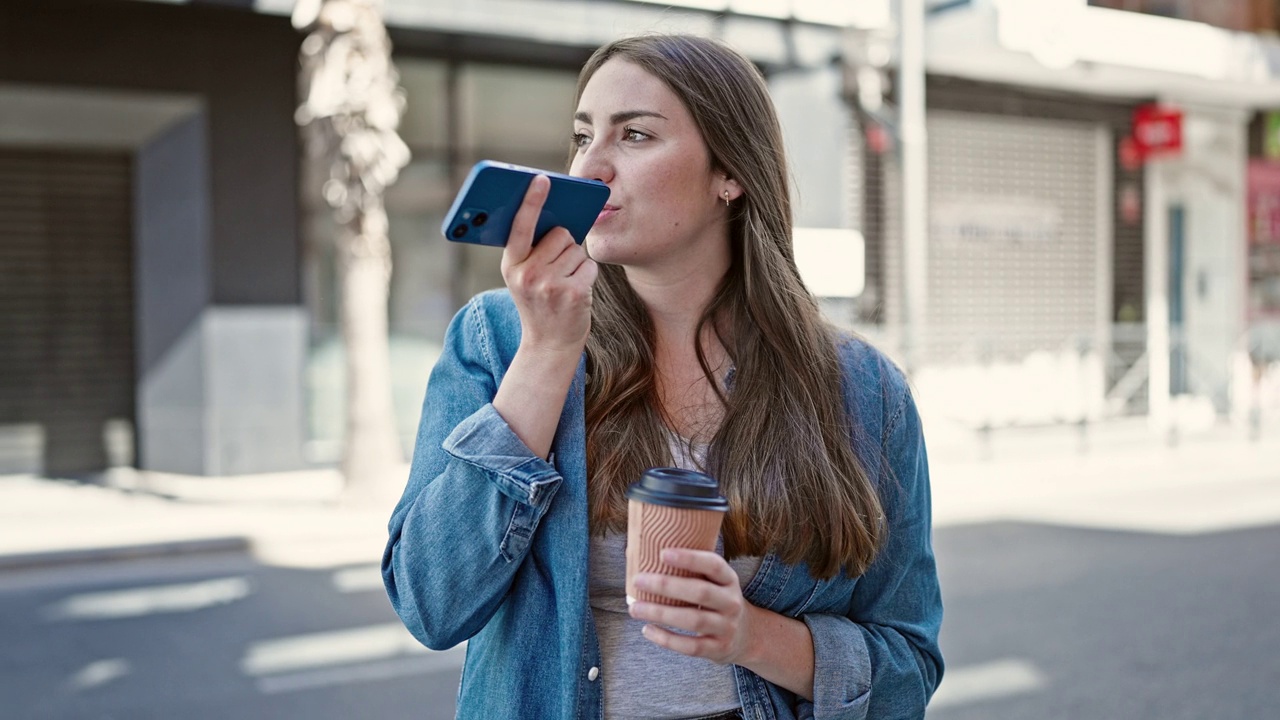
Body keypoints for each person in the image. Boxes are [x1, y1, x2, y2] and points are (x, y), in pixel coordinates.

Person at [383, 33, 943, 720]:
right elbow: (429, 604)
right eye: (582, 137)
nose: (591, 168)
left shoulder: (862, 390)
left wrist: (751, 636)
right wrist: (547, 356)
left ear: (729, 175)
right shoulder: (497, 339)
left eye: (636, 136)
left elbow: (907, 667)